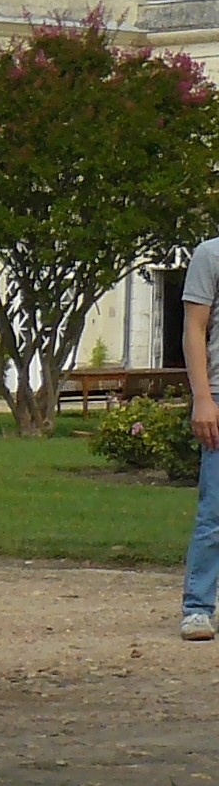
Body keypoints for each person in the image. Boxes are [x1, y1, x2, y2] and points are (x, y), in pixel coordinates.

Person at [186, 239, 219, 639]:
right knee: (215, 512)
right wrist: (202, 398)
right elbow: (194, 328)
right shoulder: (210, 255)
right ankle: (197, 606)